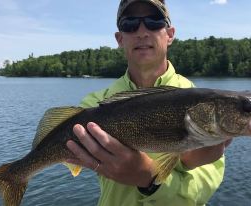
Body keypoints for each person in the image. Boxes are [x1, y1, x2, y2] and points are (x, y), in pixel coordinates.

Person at [66, 0, 231, 205]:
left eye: (154, 21)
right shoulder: (94, 105)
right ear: (119, 38)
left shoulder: (202, 104)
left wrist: (149, 179)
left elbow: (201, 190)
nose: (142, 31)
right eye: (130, 23)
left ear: (169, 34)